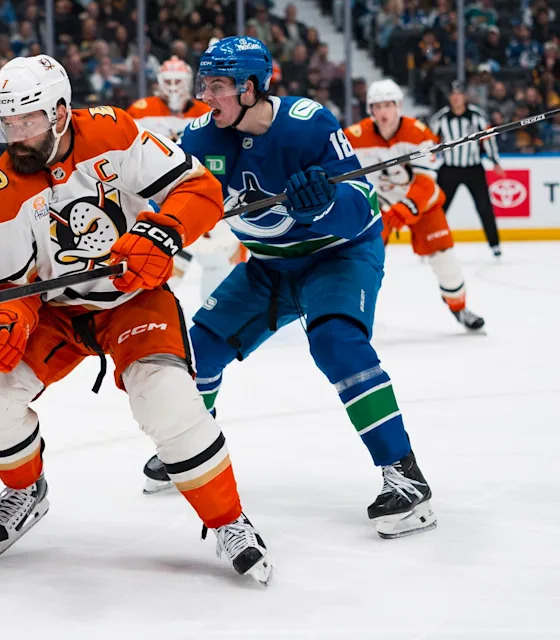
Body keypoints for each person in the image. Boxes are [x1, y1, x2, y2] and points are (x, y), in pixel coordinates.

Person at [0, 54, 273, 584]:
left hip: (132, 299)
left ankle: (228, 520)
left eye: (28, 121)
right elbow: (8, 285)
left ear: (59, 112)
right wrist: (8, 314)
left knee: (168, 398)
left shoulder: (114, 131)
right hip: (58, 314)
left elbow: (199, 190)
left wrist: (163, 231)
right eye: (7, 123)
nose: (16, 136)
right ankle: (24, 488)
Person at [141, 37, 437, 541]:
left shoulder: (309, 123)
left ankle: (406, 478)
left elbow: (363, 206)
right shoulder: (199, 140)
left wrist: (324, 203)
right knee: (197, 350)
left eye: (216, 86)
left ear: (250, 88)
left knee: (335, 342)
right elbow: (172, 199)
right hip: (269, 265)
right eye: (203, 84)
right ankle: (189, 448)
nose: (205, 96)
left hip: (337, 256)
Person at [347, 79, 485, 331]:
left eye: (388, 105)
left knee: (445, 257)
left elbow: (426, 182)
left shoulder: (419, 133)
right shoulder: (354, 136)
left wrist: (407, 207)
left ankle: (459, 307)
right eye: (377, 106)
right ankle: (352, 313)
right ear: (370, 109)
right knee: (363, 260)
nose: (383, 112)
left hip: (422, 206)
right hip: (380, 208)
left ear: (398, 106)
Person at [127, 55, 240, 304]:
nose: (174, 86)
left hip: (196, 190)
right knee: (160, 268)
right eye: (169, 80)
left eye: (179, 80)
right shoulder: (141, 110)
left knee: (218, 261)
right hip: (158, 196)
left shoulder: (206, 111)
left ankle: (211, 319)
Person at [430, 80, 504, 258]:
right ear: (450, 97)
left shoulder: (477, 115)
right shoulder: (440, 118)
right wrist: (429, 158)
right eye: (453, 94)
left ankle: (495, 245)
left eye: (459, 94)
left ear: (464, 96)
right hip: (449, 169)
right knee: (438, 209)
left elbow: (489, 138)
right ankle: (431, 244)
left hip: (473, 168)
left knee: (484, 207)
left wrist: (495, 161)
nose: (456, 98)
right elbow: (431, 141)